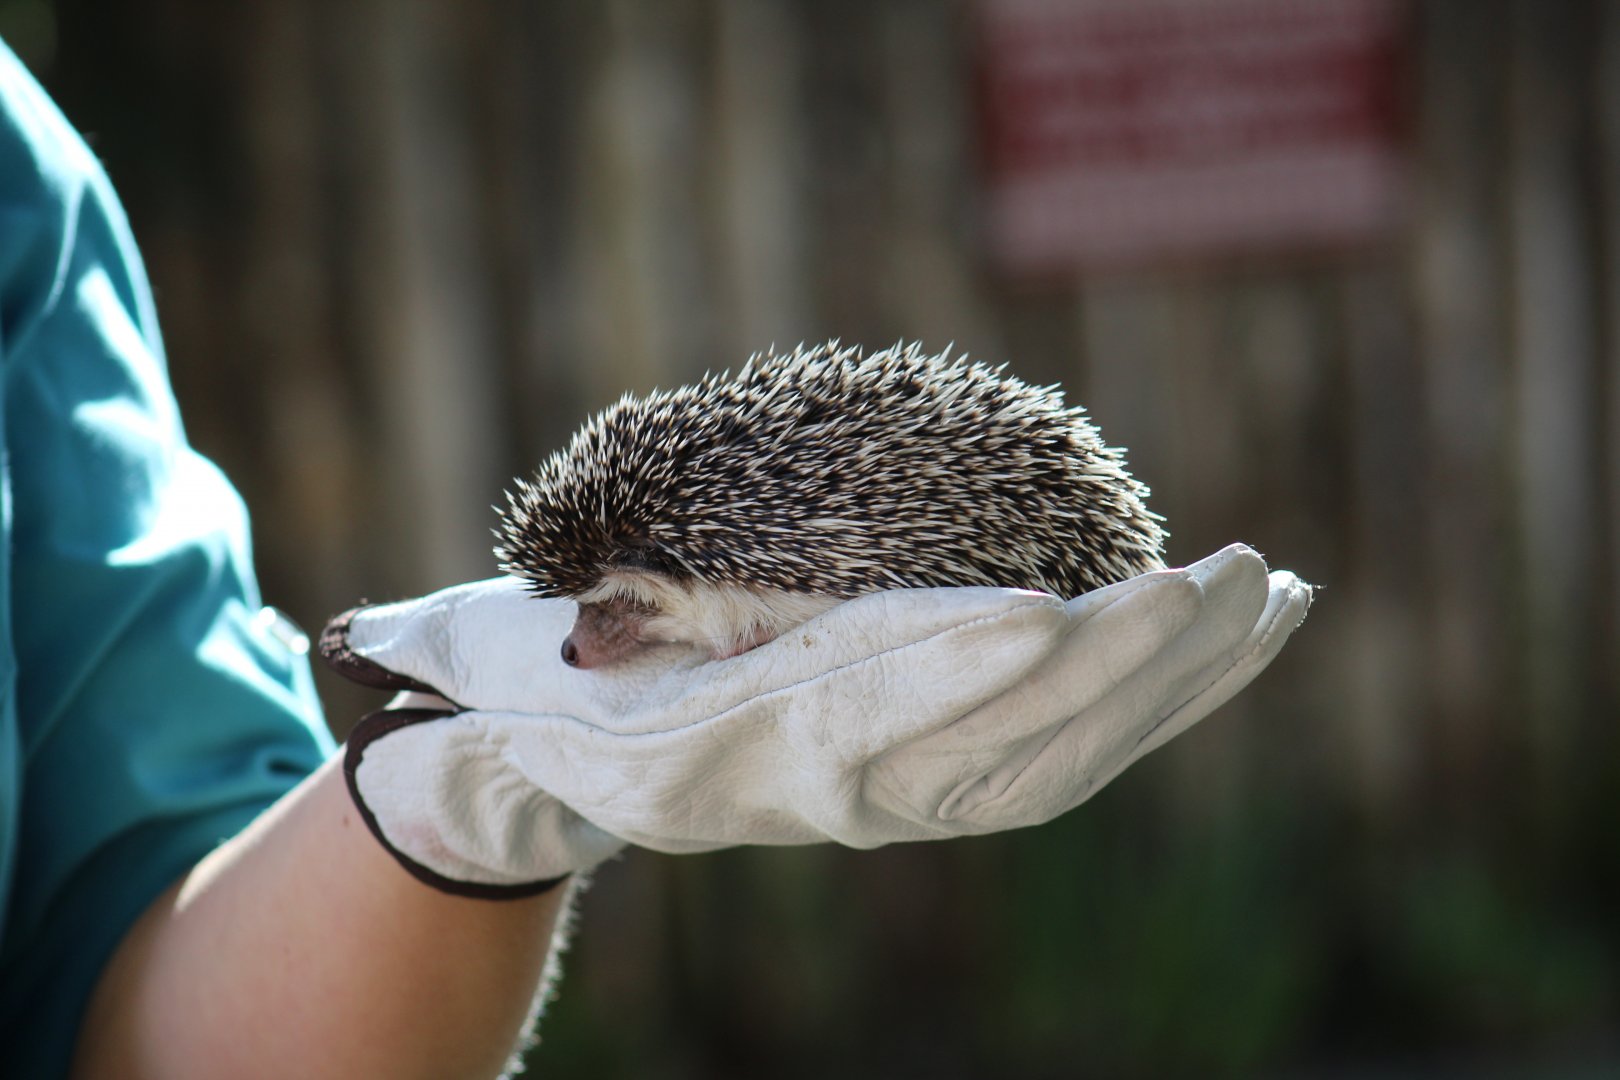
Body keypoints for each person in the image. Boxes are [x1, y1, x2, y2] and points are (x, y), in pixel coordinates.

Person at [0, 38, 1310, 1080]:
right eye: (584, 632)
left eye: (612, 620)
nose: (583, 653)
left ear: (679, 570)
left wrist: (445, 815)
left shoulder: (22, 199)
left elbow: (152, 984)